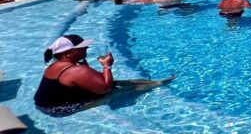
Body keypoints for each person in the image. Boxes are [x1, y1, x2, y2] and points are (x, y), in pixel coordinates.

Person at [34, 35, 171, 117]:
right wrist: (107, 66)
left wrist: (83, 62)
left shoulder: (58, 64)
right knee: (123, 90)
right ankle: (159, 83)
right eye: (81, 48)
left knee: (121, 82)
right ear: (68, 53)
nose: (86, 49)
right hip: (58, 109)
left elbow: (86, 78)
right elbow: (105, 88)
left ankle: (151, 82)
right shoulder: (75, 70)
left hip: (45, 104)